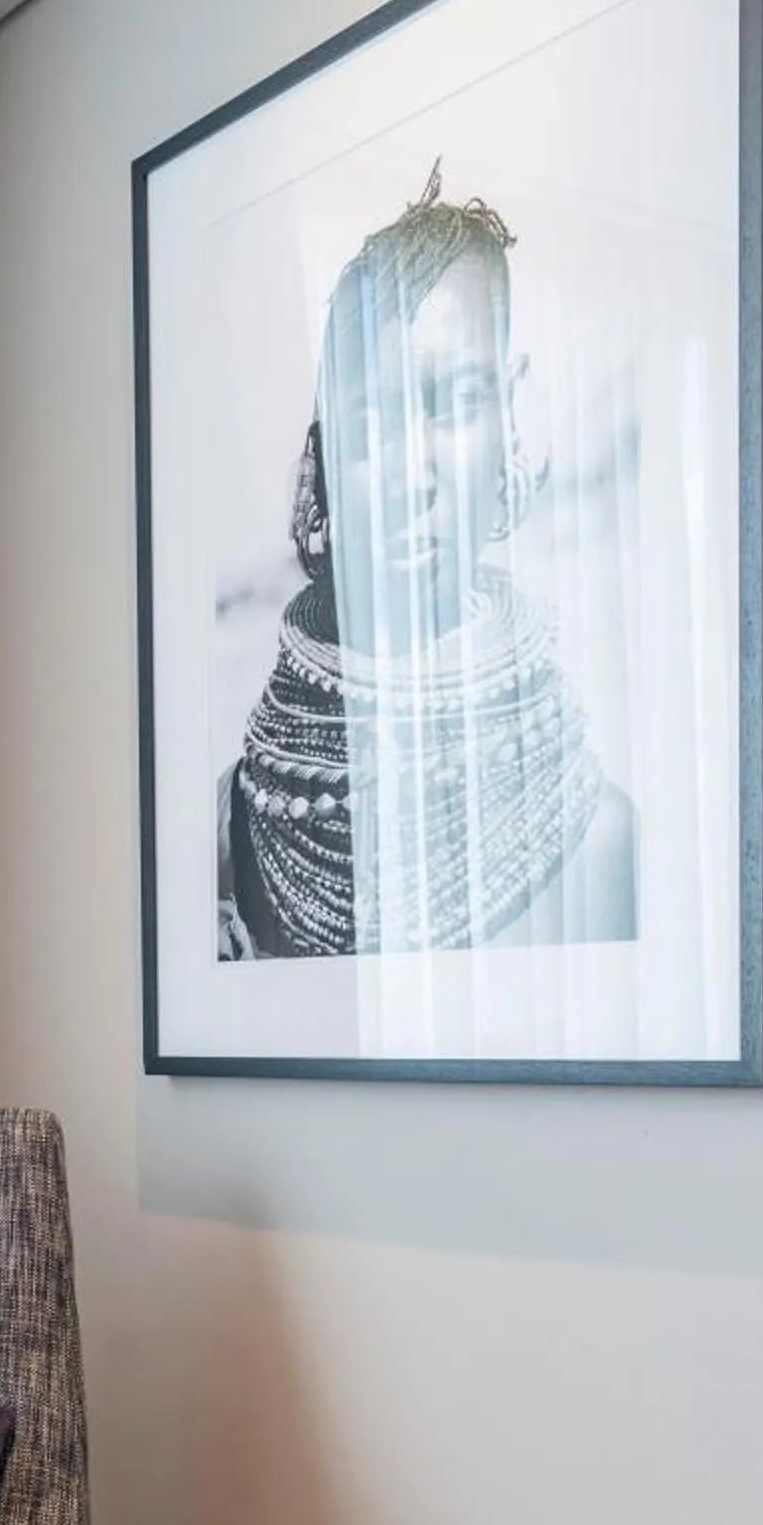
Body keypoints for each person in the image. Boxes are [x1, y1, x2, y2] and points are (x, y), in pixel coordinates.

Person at [217, 163, 637, 961]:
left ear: (510, 416)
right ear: (325, 451)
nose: (416, 473)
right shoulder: (232, 826)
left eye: (459, 402)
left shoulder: (601, 845)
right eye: (375, 418)